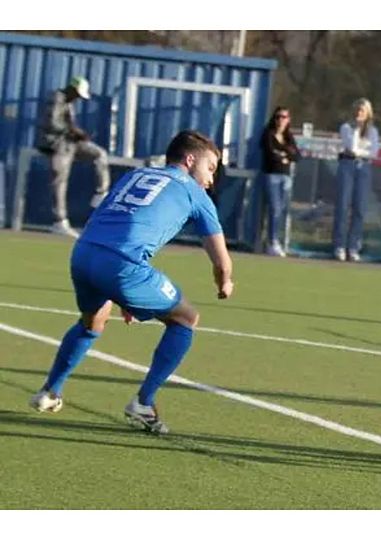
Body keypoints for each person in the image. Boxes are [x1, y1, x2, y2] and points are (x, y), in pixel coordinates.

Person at [28, 130, 235, 435]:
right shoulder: (196, 194)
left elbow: (116, 220)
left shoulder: (137, 175)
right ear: (191, 160)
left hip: (84, 252)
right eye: (210, 168)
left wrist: (121, 290)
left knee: (92, 322)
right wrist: (224, 285)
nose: (211, 179)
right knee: (186, 318)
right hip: (121, 264)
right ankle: (143, 402)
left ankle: (50, 392)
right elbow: (221, 262)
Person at [35, 75, 111, 238]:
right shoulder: (57, 98)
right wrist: (74, 132)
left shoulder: (68, 103)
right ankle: (60, 221)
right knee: (60, 181)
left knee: (99, 154)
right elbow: (52, 123)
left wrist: (79, 134)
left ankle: (101, 193)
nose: (78, 98)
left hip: (71, 143)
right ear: (72, 89)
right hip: (58, 145)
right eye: (77, 94)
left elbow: (68, 124)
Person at [333, 98, 379, 262]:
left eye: (363, 111)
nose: (360, 113)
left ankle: (353, 246)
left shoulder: (372, 131)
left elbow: (374, 152)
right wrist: (357, 129)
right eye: (358, 110)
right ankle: (339, 245)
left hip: (364, 168)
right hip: (347, 165)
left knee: (359, 208)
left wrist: (360, 152)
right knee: (343, 205)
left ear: (368, 113)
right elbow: (351, 148)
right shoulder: (346, 128)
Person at [259, 106, 300, 257]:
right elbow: (270, 154)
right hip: (272, 175)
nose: (280, 120)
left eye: (284, 117)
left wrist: (284, 154)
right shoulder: (268, 134)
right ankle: (272, 242)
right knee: (274, 208)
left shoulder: (289, 137)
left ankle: (278, 240)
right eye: (278, 117)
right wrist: (284, 155)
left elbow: (296, 156)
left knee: (281, 210)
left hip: (286, 177)